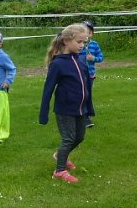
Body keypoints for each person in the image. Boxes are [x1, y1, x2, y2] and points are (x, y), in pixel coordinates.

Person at [39, 23, 94, 183]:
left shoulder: (81, 62)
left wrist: (89, 108)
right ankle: (59, 170)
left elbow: (87, 87)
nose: (82, 45)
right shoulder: (58, 64)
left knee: (80, 137)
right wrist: (43, 113)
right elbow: (48, 89)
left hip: (81, 109)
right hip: (65, 109)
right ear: (66, 41)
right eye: (79, 42)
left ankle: (59, 155)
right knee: (69, 139)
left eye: (84, 42)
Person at [78, 20, 104, 127]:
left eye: (89, 32)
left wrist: (93, 58)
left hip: (90, 75)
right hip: (78, 75)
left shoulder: (94, 45)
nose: (87, 35)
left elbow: (101, 58)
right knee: (80, 95)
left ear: (92, 33)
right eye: (84, 32)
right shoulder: (77, 44)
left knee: (87, 95)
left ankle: (86, 116)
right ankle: (80, 115)